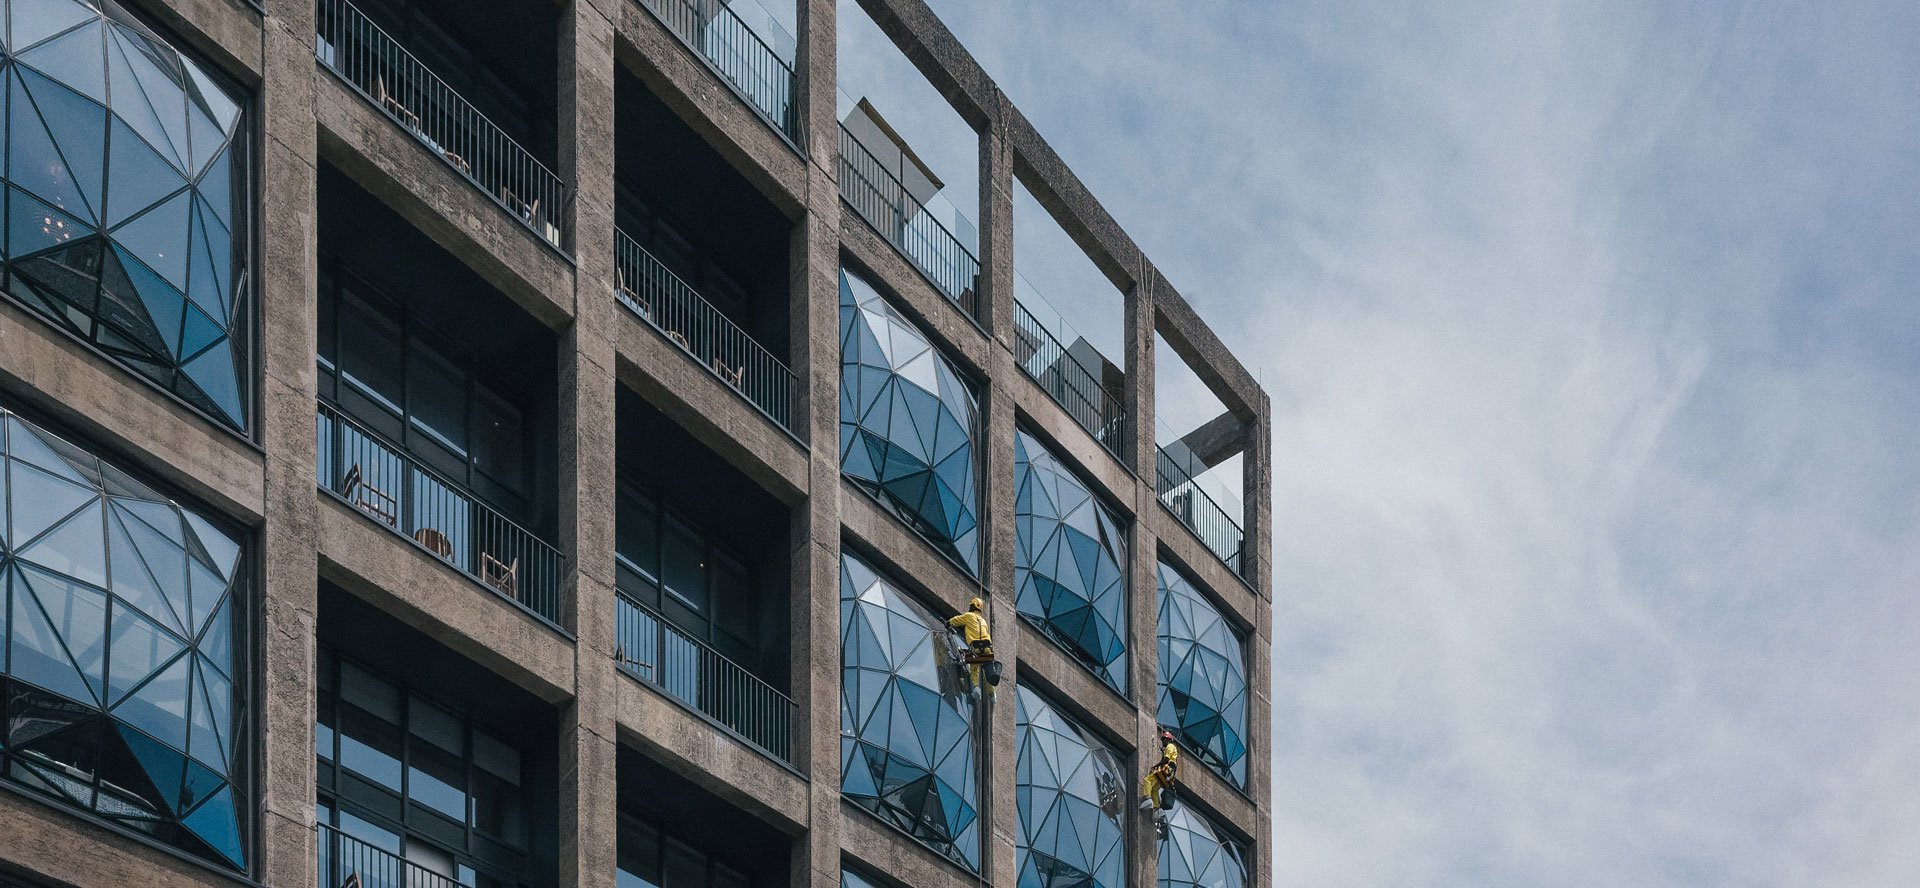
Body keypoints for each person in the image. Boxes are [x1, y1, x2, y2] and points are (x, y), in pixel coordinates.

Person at [948, 597, 997, 696]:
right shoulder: (983, 621)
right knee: (989, 670)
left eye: (970, 605)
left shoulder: (969, 616)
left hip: (976, 648)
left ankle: (976, 688)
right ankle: (992, 694)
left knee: (974, 669)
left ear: (972, 606)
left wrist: (948, 623)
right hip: (987, 648)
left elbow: (956, 620)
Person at [1140, 730, 1180, 811]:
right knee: (1154, 788)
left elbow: (1166, 760)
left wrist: (1154, 767)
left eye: (1164, 740)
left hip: (1167, 770)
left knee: (1147, 779)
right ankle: (1156, 808)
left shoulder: (1170, 746)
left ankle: (1147, 797)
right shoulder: (1169, 748)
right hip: (1168, 774)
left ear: (1168, 740)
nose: (1163, 742)